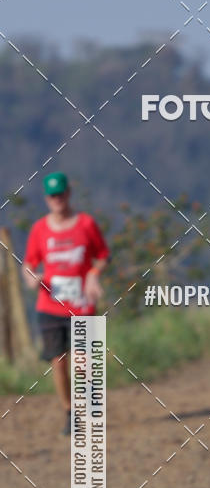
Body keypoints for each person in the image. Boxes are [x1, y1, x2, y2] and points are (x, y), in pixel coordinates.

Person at [22, 172, 110, 434]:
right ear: (46, 199)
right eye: (52, 196)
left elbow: (103, 255)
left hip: (82, 305)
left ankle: (90, 411)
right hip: (50, 306)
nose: (57, 200)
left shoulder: (86, 224)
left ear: (68, 194)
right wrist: (30, 279)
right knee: (58, 362)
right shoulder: (39, 229)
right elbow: (28, 263)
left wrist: (94, 275)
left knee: (84, 361)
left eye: (60, 194)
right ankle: (70, 412)